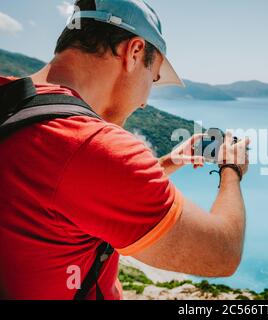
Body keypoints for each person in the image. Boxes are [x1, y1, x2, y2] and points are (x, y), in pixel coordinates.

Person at [0, 0, 250, 300]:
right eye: (153, 78)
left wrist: (170, 161)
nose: (145, 101)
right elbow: (222, 253)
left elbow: (73, 188)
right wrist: (231, 170)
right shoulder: (91, 145)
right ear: (134, 52)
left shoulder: (12, 100)